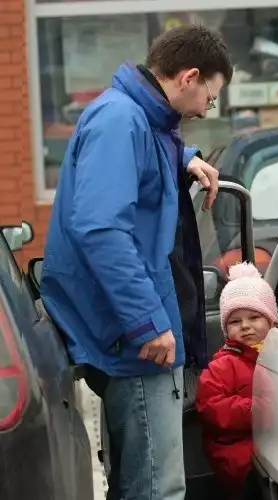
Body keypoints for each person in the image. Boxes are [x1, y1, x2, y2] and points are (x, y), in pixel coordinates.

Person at [40, 25, 233, 500]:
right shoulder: (120, 121)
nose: (212, 105)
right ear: (189, 77)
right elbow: (101, 230)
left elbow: (139, 160)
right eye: (213, 93)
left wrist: (184, 157)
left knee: (140, 483)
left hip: (128, 324)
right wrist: (147, 322)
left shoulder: (140, 119)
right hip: (133, 336)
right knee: (156, 489)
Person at [195, 262, 278, 499]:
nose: (245, 326)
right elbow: (210, 406)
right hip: (239, 458)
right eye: (235, 322)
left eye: (254, 317)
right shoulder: (223, 365)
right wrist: (256, 409)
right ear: (226, 329)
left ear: (271, 321)